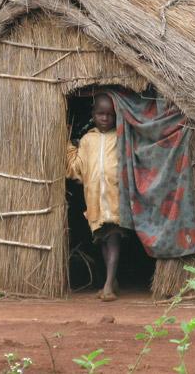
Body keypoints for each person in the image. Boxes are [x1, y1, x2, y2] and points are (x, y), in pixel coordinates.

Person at [66, 93, 126, 301]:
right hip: (94, 200)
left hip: (115, 198)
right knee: (103, 240)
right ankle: (113, 280)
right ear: (93, 114)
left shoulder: (120, 137)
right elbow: (77, 169)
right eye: (101, 113)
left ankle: (108, 286)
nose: (105, 118)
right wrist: (68, 147)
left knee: (114, 238)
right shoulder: (87, 140)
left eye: (110, 114)